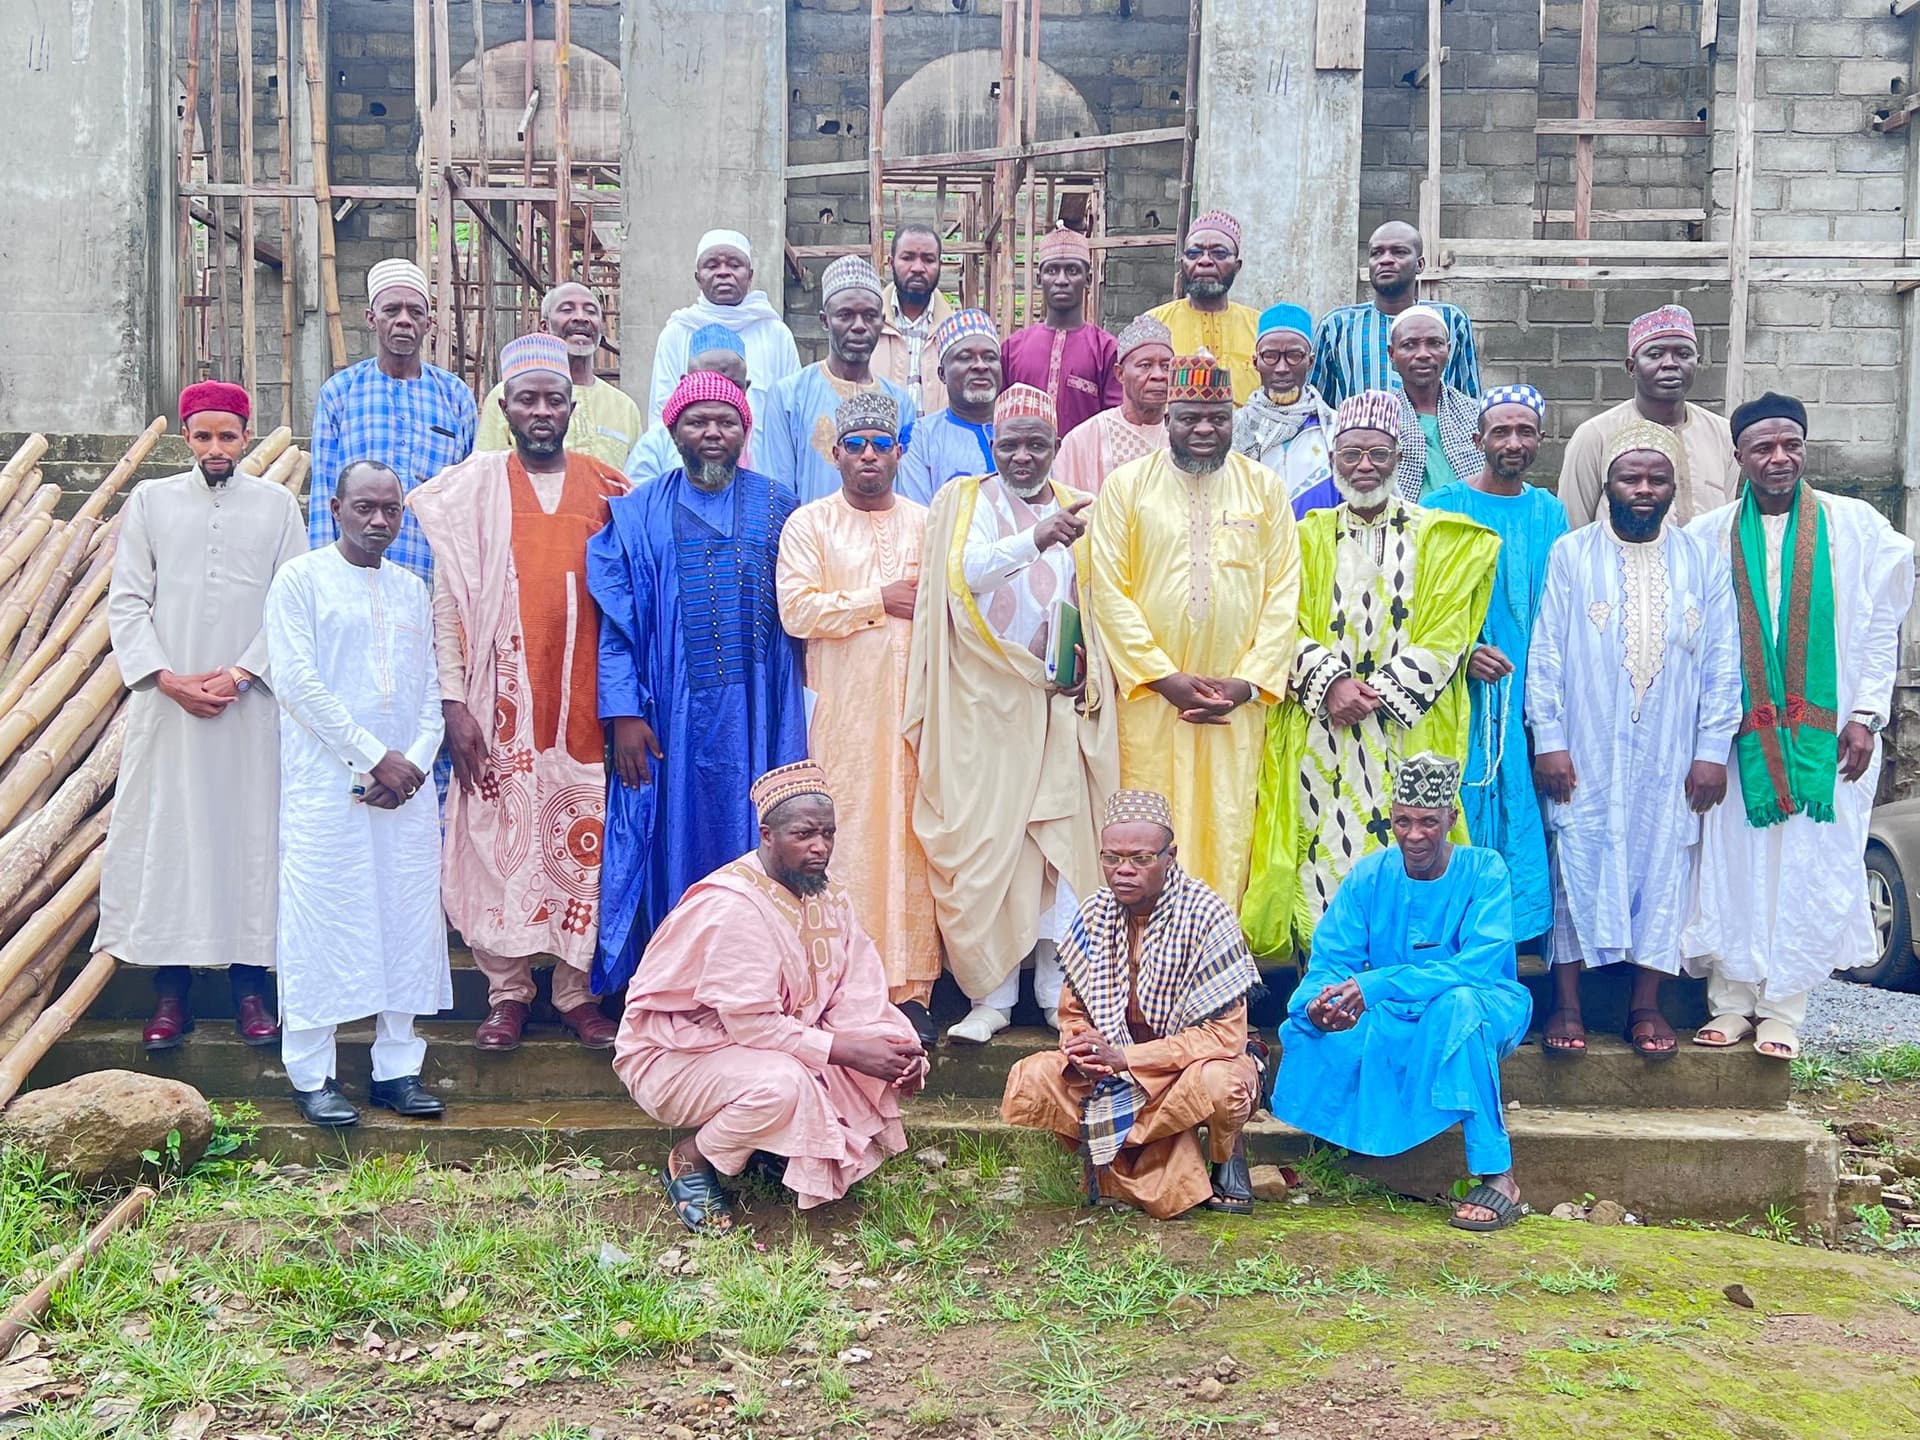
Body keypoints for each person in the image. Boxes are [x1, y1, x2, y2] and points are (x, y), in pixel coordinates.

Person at [407, 334, 630, 1052]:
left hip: (586, 702)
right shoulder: (470, 487)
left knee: (582, 845)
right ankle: (507, 993)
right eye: (527, 399)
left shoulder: (610, 485)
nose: (541, 411)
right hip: (498, 700)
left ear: (572, 406)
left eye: (554, 400)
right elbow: (446, 605)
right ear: (504, 407)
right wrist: (452, 704)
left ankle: (574, 993)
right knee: (496, 843)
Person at [1686, 394, 1915, 1060]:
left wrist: (1869, 714)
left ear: (1805, 449)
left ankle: (1784, 1009)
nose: (1779, 458)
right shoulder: (1710, 535)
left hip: (1830, 738)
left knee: (1810, 864)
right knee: (1731, 862)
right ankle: (1731, 1004)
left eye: (1791, 445)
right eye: (1763, 447)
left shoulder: (1856, 526)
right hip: (1736, 741)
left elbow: (1880, 627)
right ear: (1739, 457)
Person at [614, 762, 927, 1231]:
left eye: (828, 833)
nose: (820, 847)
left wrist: (891, 1048)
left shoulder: (829, 896)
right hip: (675, 1057)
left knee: (887, 1041)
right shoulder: (734, 906)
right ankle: (692, 1160)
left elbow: (857, 992)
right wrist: (847, 1051)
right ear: (767, 834)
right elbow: (753, 1025)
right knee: (783, 1084)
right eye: (803, 834)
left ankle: (770, 1151)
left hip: (754, 1050)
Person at [1241, 390, 1498, 961]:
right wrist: (1329, 683)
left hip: (1404, 734)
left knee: (1409, 853)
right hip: (1321, 734)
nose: (1364, 467)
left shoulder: (1439, 538)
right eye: (1352, 453)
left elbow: (1449, 631)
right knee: (1321, 857)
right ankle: (1327, 993)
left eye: (1378, 454)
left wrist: (1377, 693)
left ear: (1398, 456)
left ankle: (1399, 991)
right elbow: (1271, 617)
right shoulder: (1299, 535)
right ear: (1333, 456)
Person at [905, 384, 1118, 1046]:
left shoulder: (1083, 509)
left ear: (1057, 447)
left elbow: (1103, 602)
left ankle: (1058, 995)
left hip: (1056, 706)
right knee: (986, 846)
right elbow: (962, 577)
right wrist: (1035, 537)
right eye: (1009, 445)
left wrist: (1088, 662)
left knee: (1057, 847)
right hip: (982, 707)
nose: (1022, 457)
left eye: (1036, 445)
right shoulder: (963, 501)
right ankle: (989, 996)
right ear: (989, 445)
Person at [98, 381, 308, 1051]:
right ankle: (172, 992)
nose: (216, 447)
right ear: (185, 437)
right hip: (169, 707)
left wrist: (242, 674)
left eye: (228, 435)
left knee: (250, 839)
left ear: (247, 436)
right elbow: (127, 602)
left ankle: (251, 988)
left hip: (251, 708)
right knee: (173, 837)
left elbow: (292, 604)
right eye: (203, 435)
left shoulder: (278, 507)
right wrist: (168, 678)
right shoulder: (150, 502)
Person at [591, 370, 808, 996]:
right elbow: (618, 622)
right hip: (668, 718)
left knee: (757, 833)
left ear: (745, 431)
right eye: (697, 421)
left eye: (727, 421)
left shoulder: (779, 505)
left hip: (759, 713)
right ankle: (671, 987)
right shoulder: (635, 515)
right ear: (673, 429)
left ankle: (756, 987)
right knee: (670, 840)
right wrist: (623, 712)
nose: (712, 433)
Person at [1526, 423, 1740, 1058]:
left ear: (1674, 486)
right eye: (1630, 477)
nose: (1643, 489)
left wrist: (1711, 750)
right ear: (1608, 485)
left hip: (1672, 749)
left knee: (1666, 859)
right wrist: (1551, 740)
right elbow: (1546, 655)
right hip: (1585, 747)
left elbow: (1722, 661)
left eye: (1657, 479)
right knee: (1575, 857)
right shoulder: (1572, 553)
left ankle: (1644, 1006)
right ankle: (1567, 1004)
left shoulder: (1702, 558)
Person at [1271, 753, 1531, 1232]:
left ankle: (1499, 1175)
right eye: (1404, 821)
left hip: (1486, 1001)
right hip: (1393, 1008)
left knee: (1459, 1007)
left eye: (1429, 822)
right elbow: (1331, 962)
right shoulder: (1370, 875)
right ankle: (1342, 1146)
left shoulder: (1484, 870)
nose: (1415, 835)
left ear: (1451, 819)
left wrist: (1375, 984)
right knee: (1306, 1024)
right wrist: (1319, 1005)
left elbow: (1474, 968)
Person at [266, 462, 449, 1128]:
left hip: (406, 793)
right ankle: (312, 1076)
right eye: (365, 508)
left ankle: (396, 1071)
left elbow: (434, 687)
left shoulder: (411, 589)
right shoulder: (301, 581)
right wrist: (374, 758)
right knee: (322, 922)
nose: (379, 521)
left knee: (404, 922)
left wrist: (415, 763)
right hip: (327, 790)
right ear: (337, 507)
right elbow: (297, 683)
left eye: (391, 511)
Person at [1088, 355, 1301, 908]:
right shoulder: (1127, 488)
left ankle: (1218, 978)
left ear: (1233, 419)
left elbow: (1284, 594)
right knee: (1146, 836)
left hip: (1236, 708)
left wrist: (1247, 683)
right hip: (1151, 706)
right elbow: (1109, 590)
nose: (1204, 430)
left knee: (1227, 831)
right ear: (1167, 417)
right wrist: (1162, 677)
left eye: (1217, 417)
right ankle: (1145, 975)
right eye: (1189, 417)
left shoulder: (1265, 490)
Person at [1001, 790, 1264, 1219]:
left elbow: (1224, 1036)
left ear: (1170, 855)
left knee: (1224, 1085)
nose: (1123, 871)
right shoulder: (1093, 914)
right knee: (1033, 1076)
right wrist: (1083, 1049)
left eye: (1140, 859)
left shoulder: (1207, 913)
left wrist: (1128, 1058)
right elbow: (1073, 1013)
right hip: (1112, 1070)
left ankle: (1225, 1151)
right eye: (1112, 858)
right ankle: (1115, 1159)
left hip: (1183, 1070)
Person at [777, 393, 940, 1041]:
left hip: (916, 715)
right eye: (856, 445)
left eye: (881, 443)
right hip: (842, 716)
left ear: (900, 452)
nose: (868, 455)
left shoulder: (928, 523)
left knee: (911, 839)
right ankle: (845, 986)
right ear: (835, 453)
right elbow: (797, 610)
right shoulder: (809, 525)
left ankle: (913, 990)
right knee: (845, 841)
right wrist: (880, 598)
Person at [1423, 385, 1568, 944]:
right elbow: (1417, 607)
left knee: (1521, 817)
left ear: (1539, 439)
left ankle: (1506, 953)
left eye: (1524, 430)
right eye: (1501, 431)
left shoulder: (1549, 512)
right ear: (1478, 438)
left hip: (1528, 699)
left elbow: (1559, 610)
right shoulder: (1441, 508)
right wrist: (1460, 654)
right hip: (1456, 700)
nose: (1513, 441)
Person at [308, 258, 477, 584]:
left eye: (415, 312)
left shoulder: (455, 396)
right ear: (372, 319)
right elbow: (323, 494)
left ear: (429, 323)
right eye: (391, 311)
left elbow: (468, 499)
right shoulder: (340, 393)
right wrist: (323, 579)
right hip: (353, 579)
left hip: (433, 577)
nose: (403, 321)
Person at [1557, 304, 1738, 529]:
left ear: (1697, 363)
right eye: (1655, 354)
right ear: (1631, 367)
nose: (1670, 363)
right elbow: (1572, 528)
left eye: (1683, 354)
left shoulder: (1723, 434)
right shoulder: (1595, 435)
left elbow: (1726, 523)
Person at [762, 255, 916, 504]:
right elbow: (777, 493)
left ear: (882, 322)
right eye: (845, 315)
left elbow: (905, 495)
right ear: (825, 321)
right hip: (810, 541)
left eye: (869, 316)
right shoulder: (788, 396)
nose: (859, 326)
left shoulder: (900, 403)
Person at [646, 228, 801, 434]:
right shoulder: (677, 332)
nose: (723, 272)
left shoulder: (775, 334)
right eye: (712, 265)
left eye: (734, 265)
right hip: (691, 461)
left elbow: (793, 410)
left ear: (750, 275)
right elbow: (662, 412)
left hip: (765, 463)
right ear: (698, 277)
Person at [1310, 221, 1480, 407]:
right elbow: (1316, 409)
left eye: (1399, 252)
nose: (1386, 260)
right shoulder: (1337, 326)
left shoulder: (1451, 321)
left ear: (1420, 264)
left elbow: (1471, 404)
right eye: (1377, 253)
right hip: (1359, 436)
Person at [475, 283, 643, 468]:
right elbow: (486, 472)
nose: (581, 317)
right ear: (544, 327)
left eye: (590, 311)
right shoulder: (508, 395)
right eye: (567, 309)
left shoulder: (624, 407)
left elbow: (636, 484)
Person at [1001, 225, 1122, 437]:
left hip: (1085, 466)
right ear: (1040, 280)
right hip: (1024, 465)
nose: (1061, 280)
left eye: (1072, 270)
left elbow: (1115, 422)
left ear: (1088, 279)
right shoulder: (1012, 349)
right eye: (1051, 270)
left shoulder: (1107, 349)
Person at [1231, 302, 1339, 516]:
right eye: (1270, 356)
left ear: (1310, 361)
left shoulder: (1334, 429)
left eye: (1294, 356)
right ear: (1256, 362)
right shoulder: (1236, 430)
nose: (1282, 368)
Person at [1146, 211, 1261, 403]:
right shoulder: (1154, 324)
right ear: (1183, 263)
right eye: (1194, 253)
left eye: (1219, 253)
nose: (1205, 261)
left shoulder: (1260, 328)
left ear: (1237, 266)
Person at [1052, 315, 1173, 495]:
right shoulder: (1082, 439)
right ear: (1120, 374)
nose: (1159, 375)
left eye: (1166, 366)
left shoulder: (1183, 435)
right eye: (1145, 365)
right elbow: (1066, 504)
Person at [894, 308, 1001, 506]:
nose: (980, 366)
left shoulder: (1022, 432)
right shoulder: (920, 438)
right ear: (942, 374)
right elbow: (918, 516)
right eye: (965, 357)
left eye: (990, 357)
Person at [624, 329, 755, 485]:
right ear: (685, 382)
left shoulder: (763, 437)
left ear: (746, 388)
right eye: (705, 380)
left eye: (732, 385)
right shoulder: (658, 440)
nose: (719, 392)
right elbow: (637, 498)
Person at [1386, 306, 1483, 503]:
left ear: (1448, 350)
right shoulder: (1378, 418)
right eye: (1409, 345)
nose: (1423, 354)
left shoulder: (1475, 415)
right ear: (1391, 354)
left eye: (1434, 343)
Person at [873, 223, 955, 416]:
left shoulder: (954, 332)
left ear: (939, 266)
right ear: (890, 262)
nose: (918, 268)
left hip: (937, 445)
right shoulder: (869, 327)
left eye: (928, 259)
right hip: (878, 445)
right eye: (907, 258)